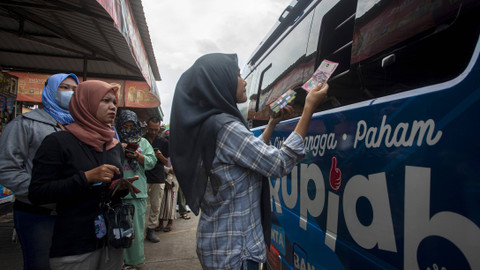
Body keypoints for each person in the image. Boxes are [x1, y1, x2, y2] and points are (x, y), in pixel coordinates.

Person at [169, 53, 329, 270]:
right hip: (236, 254)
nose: (245, 82)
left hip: (219, 246)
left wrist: (271, 124)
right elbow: (279, 163)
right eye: (237, 75)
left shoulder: (210, 124)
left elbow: (246, 158)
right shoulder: (226, 127)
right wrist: (309, 107)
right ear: (220, 82)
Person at [28, 80, 128, 269]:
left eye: (114, 102)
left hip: (112, 241)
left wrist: (120, 188)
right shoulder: (58, 142)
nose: (112, 107)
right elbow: (38, 192)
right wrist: (86, 178)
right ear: (86, 102)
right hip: (76, 245)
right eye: (105, 100)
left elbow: (110, 190)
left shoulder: (113, 145)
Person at [0, 73, 79, 270]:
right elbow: (7, 168)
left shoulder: (77, 126)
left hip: (70, 212)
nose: (71, 93)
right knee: (40, 264)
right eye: (65, 87)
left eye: (76, 90)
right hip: (36, 212)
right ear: (50, 90)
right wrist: (41, 191)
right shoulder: (25, 123)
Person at [116, 110, 156, 269]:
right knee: (119, 231)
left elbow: (152, 162)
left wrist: (137, 156)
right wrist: (119, 150)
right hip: (117, 194)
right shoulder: (114, 140)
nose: (129, 129)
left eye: (132, 126)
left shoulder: (144, 143)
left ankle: (134, 262)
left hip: (137, 193)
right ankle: (119, 262)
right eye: (125, 126)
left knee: (137, 231)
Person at [143, 116, 169, 243]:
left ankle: (151, 230)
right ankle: (137, 230)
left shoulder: (163, 142)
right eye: (151, 129)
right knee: (140, 207)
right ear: (147, 127)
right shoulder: (141, 140)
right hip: (143, 177)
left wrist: (160, 156)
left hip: (158, 178)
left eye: (156, 130)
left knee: (155, 206)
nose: (153, 132)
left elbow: (167, 163)